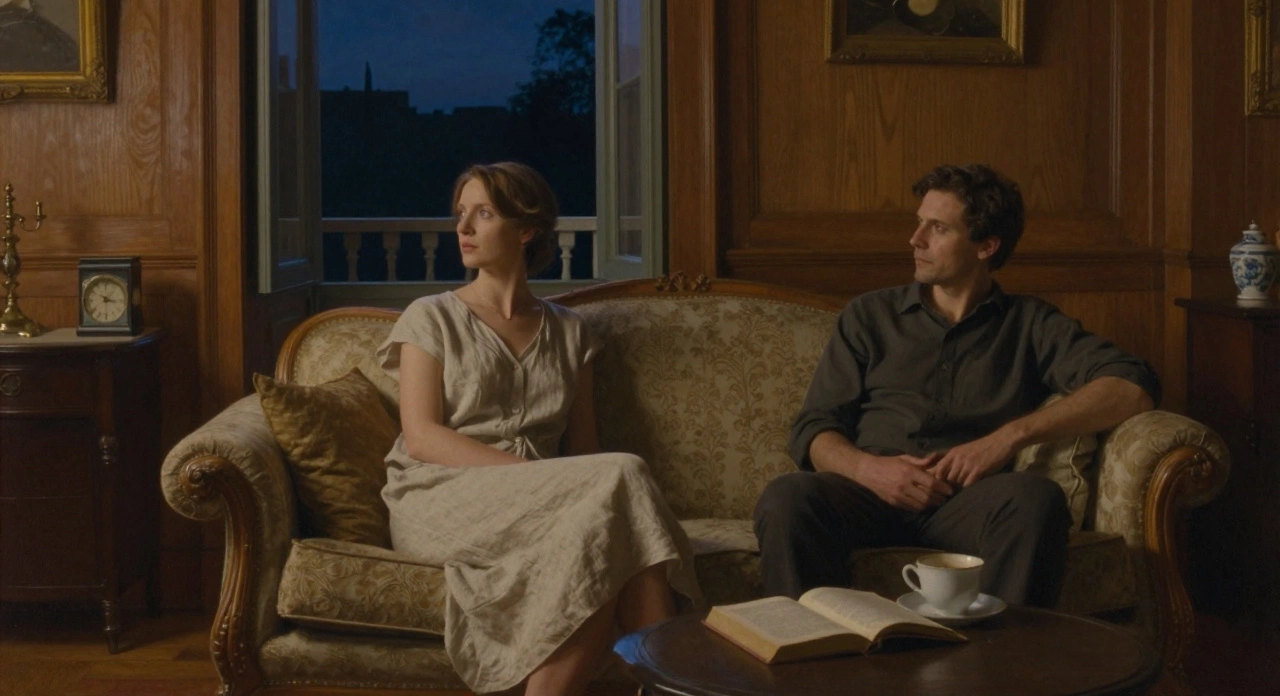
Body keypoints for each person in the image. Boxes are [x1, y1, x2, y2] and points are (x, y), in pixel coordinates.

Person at [753, 163, 1160, 608]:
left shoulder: (1030, 324)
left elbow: (1131, 386)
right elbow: (814, 427)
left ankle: (996, 667)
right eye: (918, 222)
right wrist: (869, 470)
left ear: (986, 245)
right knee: (787, 497)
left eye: (938, 228)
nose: (916, 239)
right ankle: (808, 657)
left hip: (966, 503)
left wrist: (1008, 438)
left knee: (1036, 499)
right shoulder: (869, 316)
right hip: (867, 494)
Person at [377, 162, 700, 696]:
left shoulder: (572, 333)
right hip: (437, 495)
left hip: (546, 506)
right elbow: (422, 438)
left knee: (601, 543)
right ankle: (668, 683)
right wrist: (537, 479)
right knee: (624, 475)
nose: (464, 229)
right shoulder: (429, 316)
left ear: (526, 230)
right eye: (462, 214)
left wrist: (557, 490)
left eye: (483, 214)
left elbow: (586, 451)